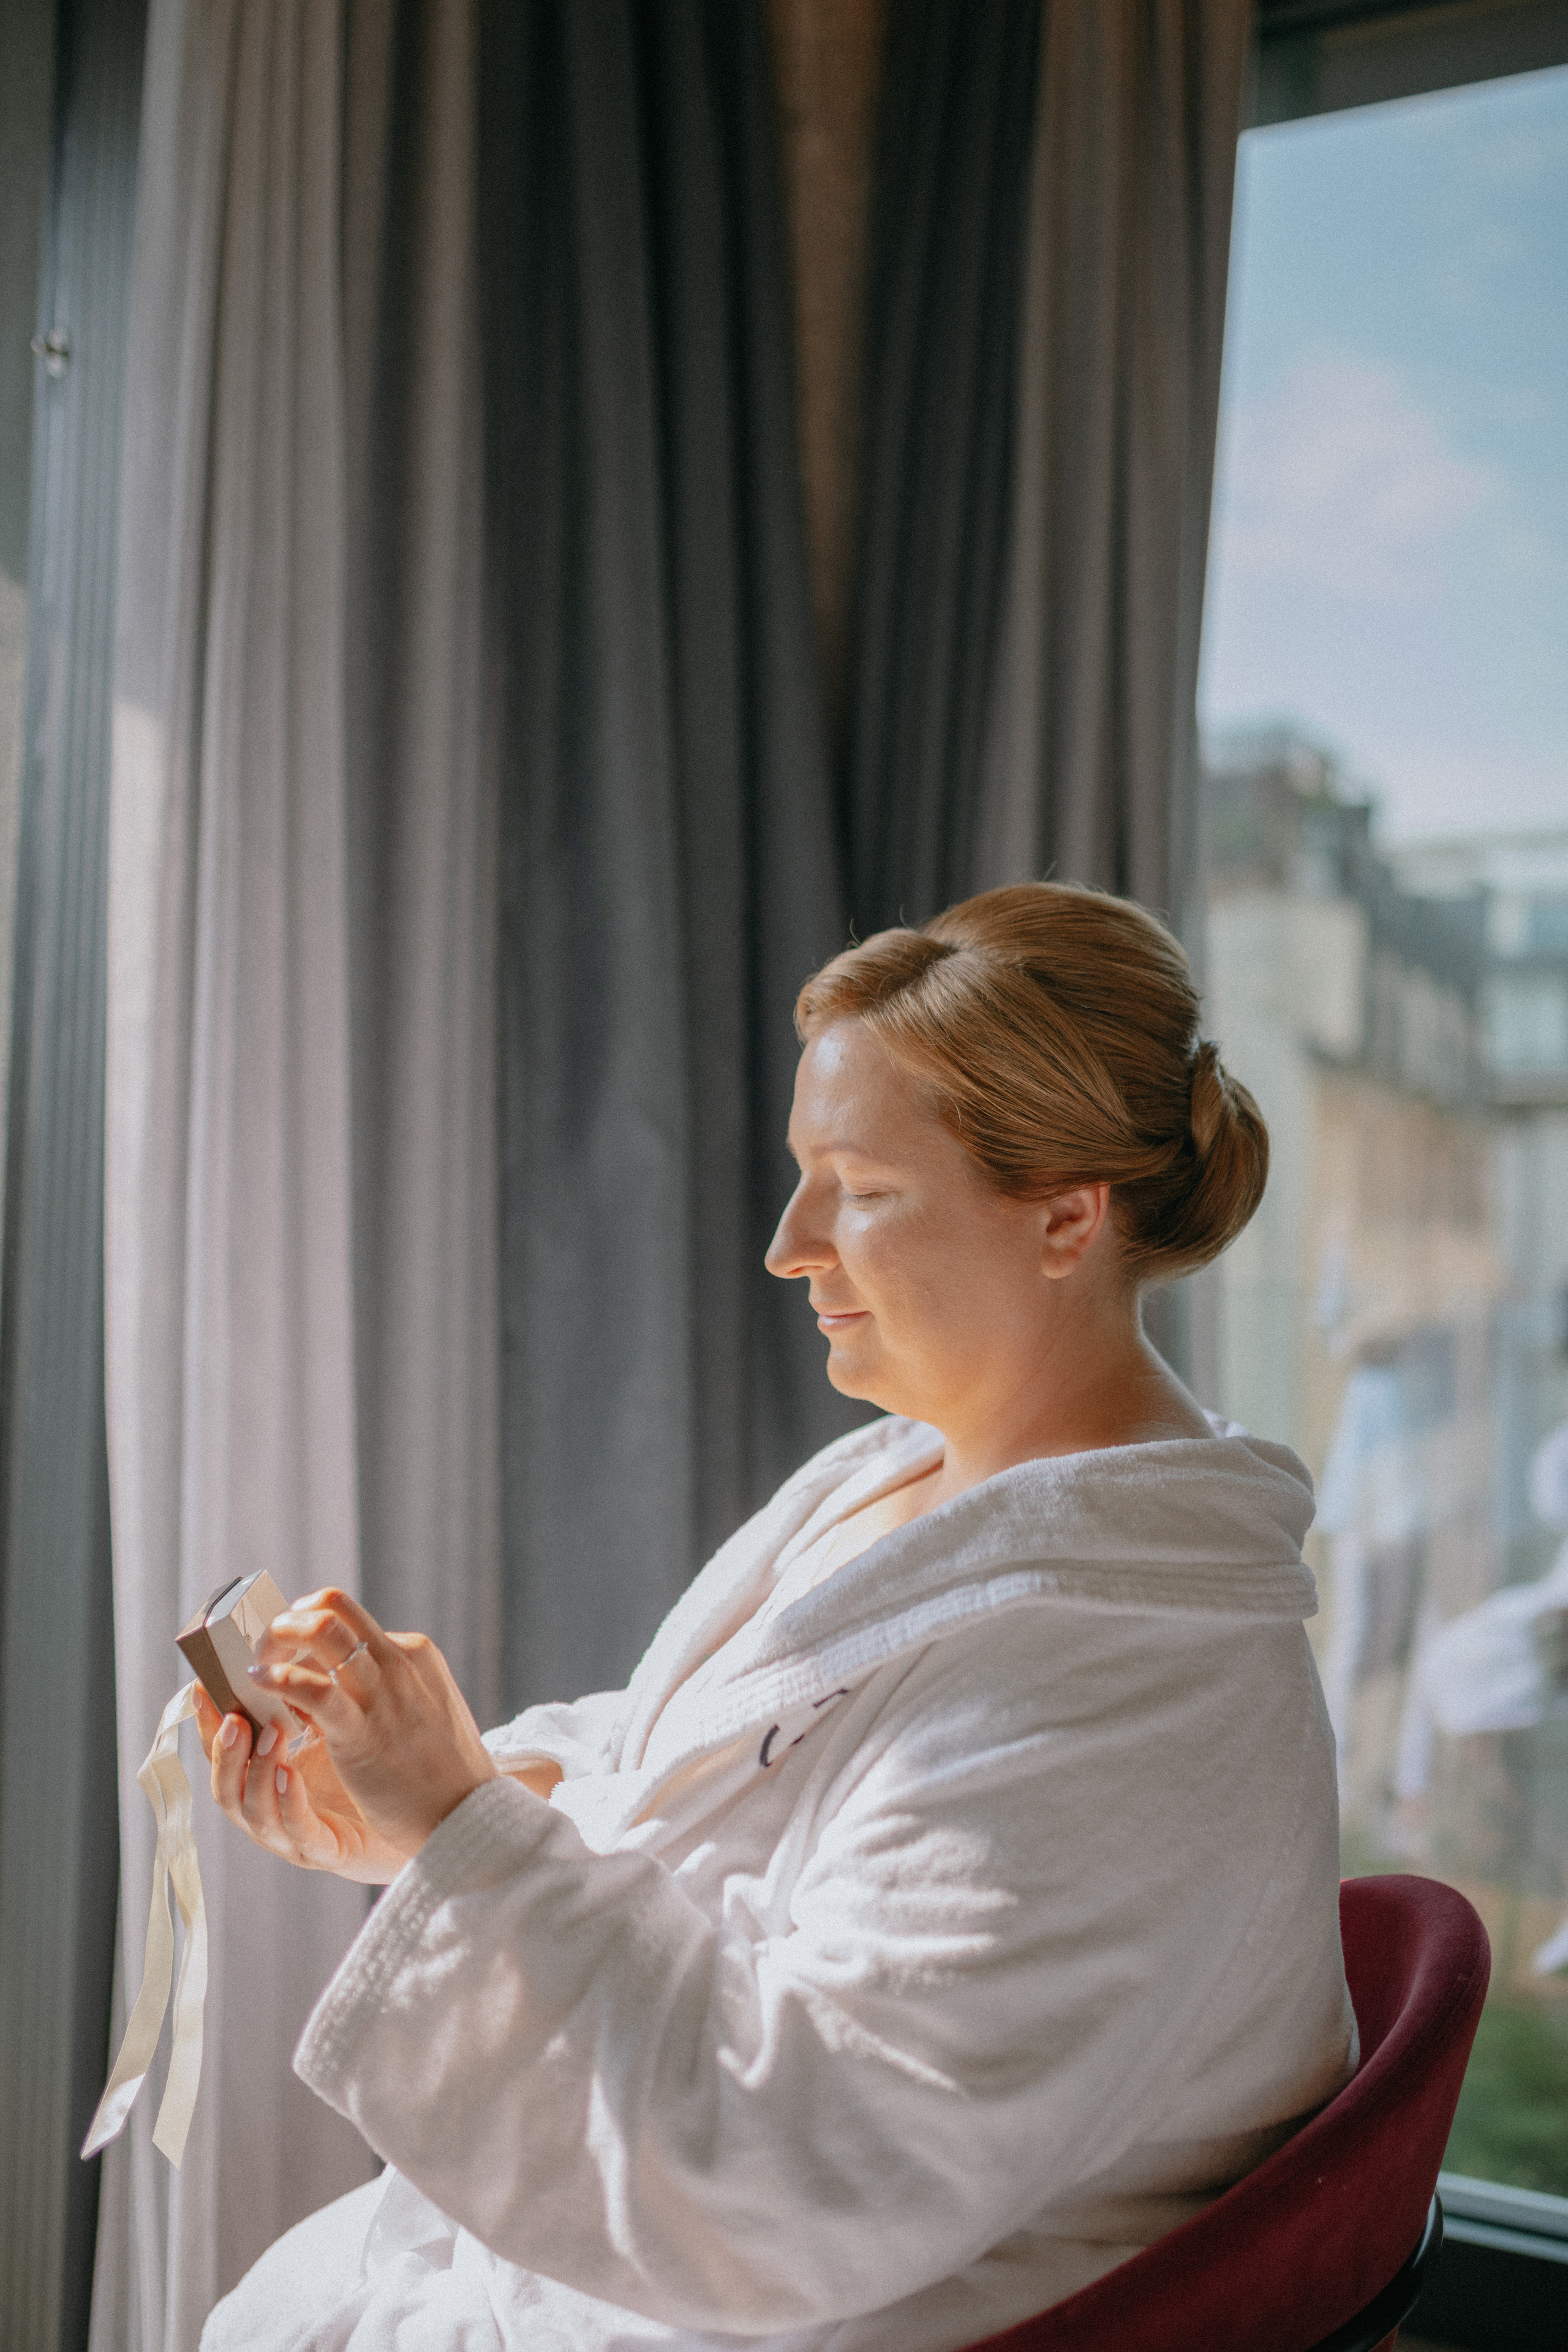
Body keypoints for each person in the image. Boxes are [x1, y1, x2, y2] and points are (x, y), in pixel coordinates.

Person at [200, 883, 1355, 2352]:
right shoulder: (899, 1477)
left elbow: (799, 2174)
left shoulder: (1137, 1680)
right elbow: (699, 1760)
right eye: (803, 1176)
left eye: (860, 1189)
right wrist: (435, 1800)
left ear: (1067, 1217)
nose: (788, 1245)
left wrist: (462, 1838)